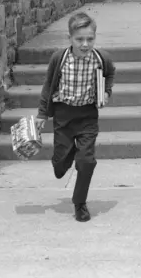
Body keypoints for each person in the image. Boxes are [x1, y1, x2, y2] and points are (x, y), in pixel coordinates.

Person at [35, 12, 116, 223]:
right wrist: (42, 114)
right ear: (70, 38)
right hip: (63, 115)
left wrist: (106, 92)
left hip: (88, 115)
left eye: (90, 39)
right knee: (60, 167)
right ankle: (63, 158)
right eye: (79, 39)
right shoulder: (59, 59)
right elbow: (47, 86)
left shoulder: (101, 58)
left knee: (86, 161)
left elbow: (111, 74)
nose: (85, 44)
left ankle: (80, 203)